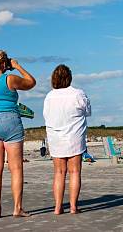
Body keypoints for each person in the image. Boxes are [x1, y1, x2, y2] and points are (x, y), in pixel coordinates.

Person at [0, 50, 36, 219]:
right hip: (9, 120)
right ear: (4, 64)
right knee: (16, 168)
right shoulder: (9, 78)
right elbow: (31, 82)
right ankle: (17, 208)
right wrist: (17, 66)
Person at [43, 64, 91, 215]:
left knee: (59, 173)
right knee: (75, 172)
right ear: (69, 78)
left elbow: (46, 115)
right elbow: (87, 111)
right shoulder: (78, 93)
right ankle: (73, 207)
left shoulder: (50, 96)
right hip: (74, 136)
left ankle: (58, 207)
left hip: (56, 137)